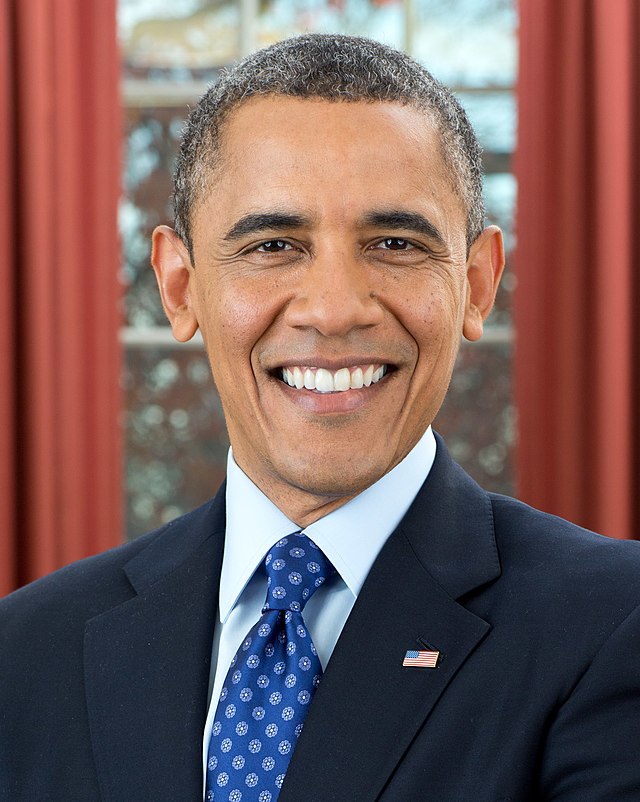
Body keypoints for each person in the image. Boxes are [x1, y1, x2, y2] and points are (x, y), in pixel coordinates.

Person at [1, 33, 640, 802]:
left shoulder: (613, 626)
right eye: (274, 244)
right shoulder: (27, 652)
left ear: (476, 283)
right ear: (178, 287)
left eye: (395, 243)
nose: (335, 309)